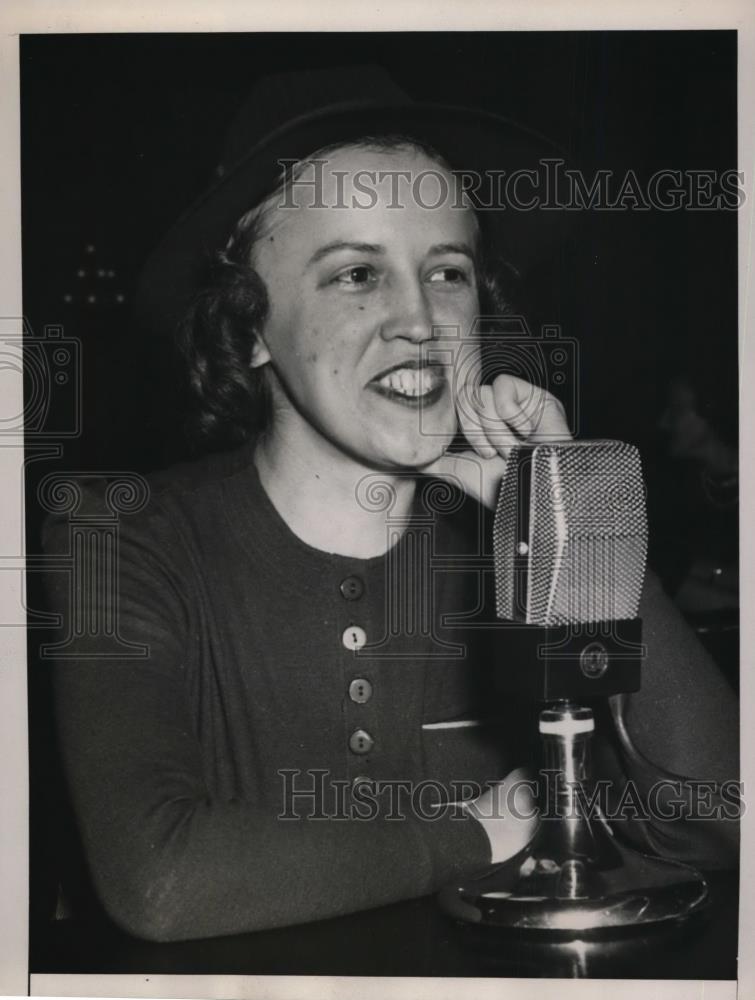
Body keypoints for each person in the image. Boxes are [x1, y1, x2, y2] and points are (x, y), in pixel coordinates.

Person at [41, 65, 739, 944]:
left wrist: (571, 517)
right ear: (249, 326)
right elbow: (165, 881)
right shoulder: (123, 540)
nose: (419, 318)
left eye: (446, 271)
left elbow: (726, 817)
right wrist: (486, 826)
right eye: (355, 274)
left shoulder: (515, 538)